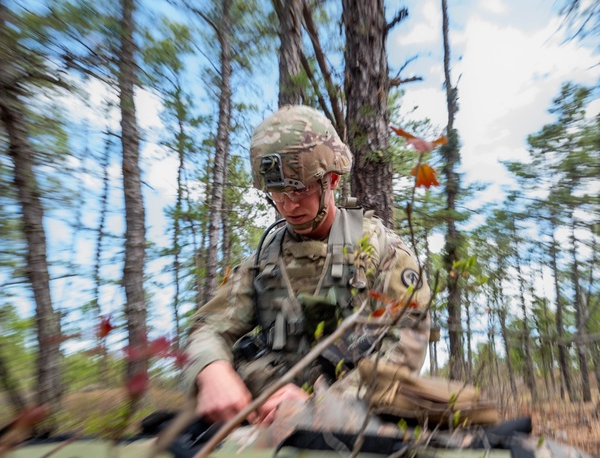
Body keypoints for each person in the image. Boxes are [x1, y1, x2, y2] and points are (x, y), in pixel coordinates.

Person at [184, 105, 431, 425]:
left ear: (330, 180)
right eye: (276, 192)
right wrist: (211, 370)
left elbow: (407, 342)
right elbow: (208, 327)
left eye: (299, 188)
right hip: (267, 422)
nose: (288, 205)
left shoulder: (380, 251)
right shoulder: (263, 262)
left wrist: (326, 401)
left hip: (356, 422)